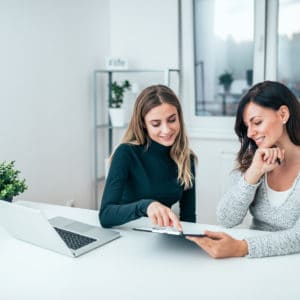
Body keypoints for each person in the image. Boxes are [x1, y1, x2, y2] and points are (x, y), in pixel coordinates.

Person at [187, 80, 300, 258]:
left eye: (257, 122)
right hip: (254, 262)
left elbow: (298, 237)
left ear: (283, 114)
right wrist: (253, 173)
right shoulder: (255, 159)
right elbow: (226, 219)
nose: (250, 133)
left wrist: (242, 247)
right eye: (247, 126)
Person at [99, 84, 197, 229]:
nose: (166, 130)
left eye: (172, 120)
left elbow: (188, 217)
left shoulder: (186, 158)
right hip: (126, 233)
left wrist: (189, 243)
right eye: (156, 124)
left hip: (161, 237)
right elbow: (105, 216)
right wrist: (146, 206)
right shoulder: (126, 153)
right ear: (143, 124)